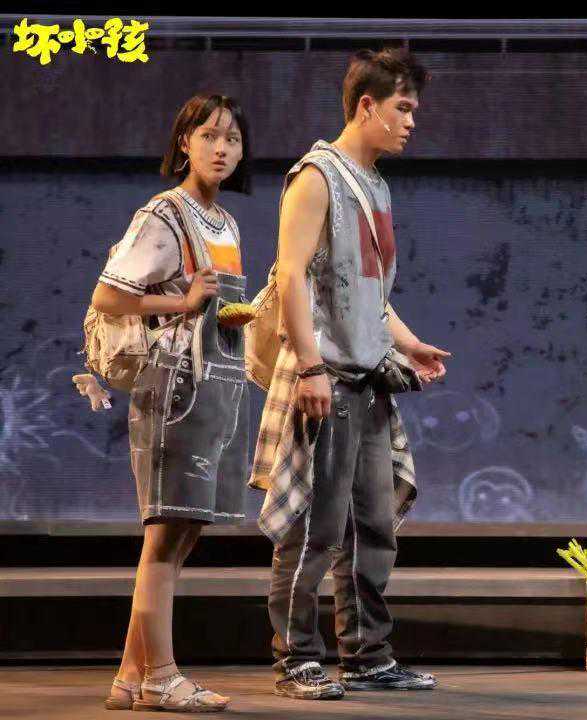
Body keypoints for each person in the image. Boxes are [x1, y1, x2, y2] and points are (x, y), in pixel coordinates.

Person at [255, 48, 450, 700]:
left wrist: (409, 344)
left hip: (369, 379)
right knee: (314, 527)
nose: (411, 121)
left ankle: (367, 655)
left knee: (373, 527)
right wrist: (310, 366)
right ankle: (296, 658)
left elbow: (371, 292)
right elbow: (290, 277)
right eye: (403, 108)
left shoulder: (376, 185)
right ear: (367, 106)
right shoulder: (317, 177)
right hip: (326, 377)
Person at [92, 93, 253, 711]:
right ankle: (161, 675)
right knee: (165, 534)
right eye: (209, 135)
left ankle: (129, 675)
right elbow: (110, 296)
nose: (222, 148)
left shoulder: (225, 222)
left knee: (182, 534)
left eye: (232, 138)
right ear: (184, 142)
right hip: (174, 389)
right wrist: (181, 303)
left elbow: (216, 305)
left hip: (216, 387)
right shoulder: (164, 214)